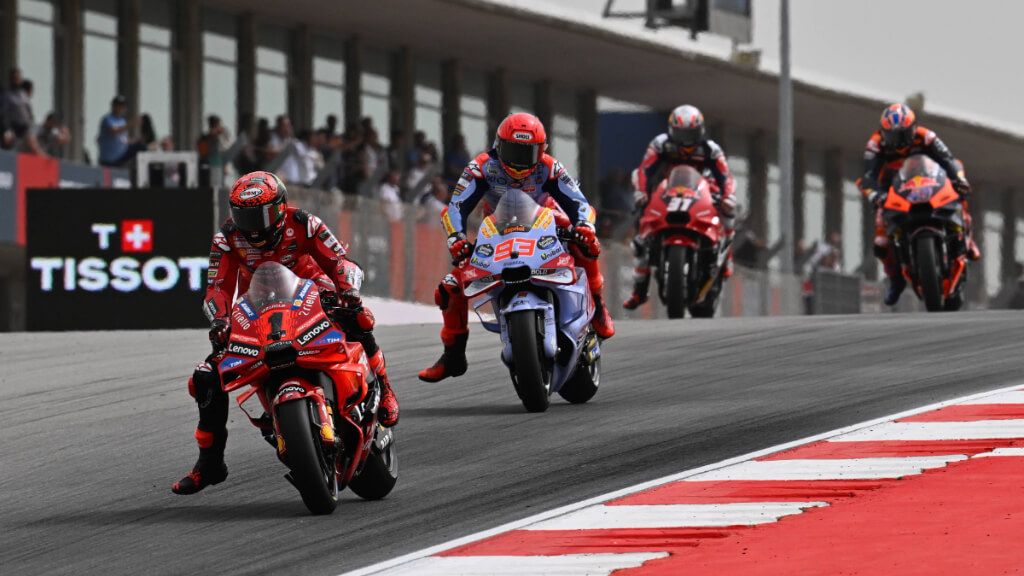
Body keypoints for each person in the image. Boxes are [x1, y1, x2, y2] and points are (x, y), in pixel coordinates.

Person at [172, 171, 399, 495]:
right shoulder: (227, 237)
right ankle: (210, 463)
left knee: (357, 317)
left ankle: (386, 388)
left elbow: (339, 261)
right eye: (243, 215)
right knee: (206, 377)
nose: (251, 224)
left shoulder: (305, 223)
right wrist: (220, 320)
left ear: (279, 208)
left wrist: (347, 290)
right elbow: (216, 289)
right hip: (261, 306)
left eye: (260, 214)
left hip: (314, 292)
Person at [417, 112, 614, 383]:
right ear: (499, 145)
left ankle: (599, 305)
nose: (520, 162)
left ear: (541, 151)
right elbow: (456, 208)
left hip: (547, 222)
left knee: (586, 244)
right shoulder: (482, 167)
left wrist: (584, 227)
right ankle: (453, 355)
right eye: (513, 151)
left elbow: (580, 203)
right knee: (450, 287)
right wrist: (457, 239)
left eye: (527, 153)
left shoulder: (550, 167)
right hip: (499, 231)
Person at [858, 103, 980, 305]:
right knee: (881, 242)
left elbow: (947, 159)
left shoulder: (926, 137)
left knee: (959, 188)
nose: (898, 141)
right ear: (883, 132)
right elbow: (868, 177)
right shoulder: (875, 145)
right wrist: (875, 196)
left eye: (903, 134)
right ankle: (895, 280)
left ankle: (967, 235)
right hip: (892, 188)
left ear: (912, 128)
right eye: (893, 135)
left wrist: (959, 179)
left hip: (928, 182)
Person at [623, 104, 737, 309]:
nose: (686, 139)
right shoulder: (660, 144)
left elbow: (725, 176)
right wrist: (641, 192)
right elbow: (644, 170)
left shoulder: (711, 149)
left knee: (729, 211)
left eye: (690, 133)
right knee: (640, 241)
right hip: (667, 193)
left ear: (700, 130)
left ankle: (726, 257)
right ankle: (639, 292)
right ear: (672, 130)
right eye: (681, 132)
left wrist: (727, 196)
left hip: (704, 193)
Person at [97, 95, 144, 167]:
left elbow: (123, 140)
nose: (120, 108)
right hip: (109, 159)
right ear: (113, 106)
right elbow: (114, 131)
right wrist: (131, 123)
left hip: (121, 155)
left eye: (122, 106)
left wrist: (135, 140)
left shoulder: (122, 121)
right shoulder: (107, 119)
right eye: (118, 105)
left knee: (141, 147)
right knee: (140, 147)